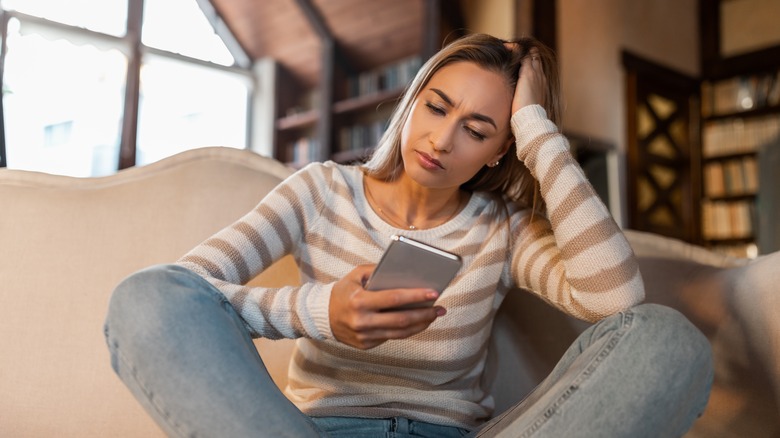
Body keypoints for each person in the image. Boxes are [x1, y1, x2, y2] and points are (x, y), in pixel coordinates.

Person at [104, 33, 713, 437]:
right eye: (437, 107)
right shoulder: (320, 190)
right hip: (315, 433)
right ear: (414, 100)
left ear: (502, 151)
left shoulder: (502, 230)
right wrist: (320, 311)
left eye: (478, 129)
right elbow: (184, 291)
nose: (442, 140)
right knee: (145, 296)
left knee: (667, 340)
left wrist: (535, 126)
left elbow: (615, 301)